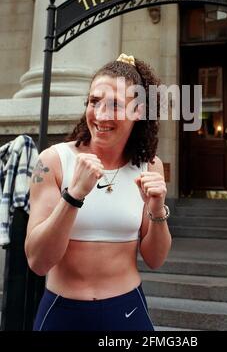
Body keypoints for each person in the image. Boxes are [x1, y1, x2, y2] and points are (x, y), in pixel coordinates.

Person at [25, 53, 172, 331]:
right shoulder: (53, 161)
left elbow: (156, 259)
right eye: (95, 102)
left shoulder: (149, 167)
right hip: (62, 312)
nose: (101, 115)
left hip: (127, 311)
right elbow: (38, 261)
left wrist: (157, 210)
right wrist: (74, 195)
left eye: (115, 104)